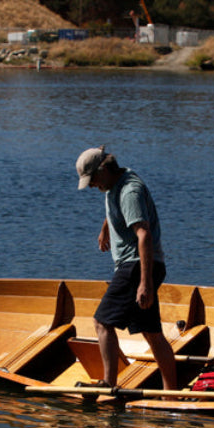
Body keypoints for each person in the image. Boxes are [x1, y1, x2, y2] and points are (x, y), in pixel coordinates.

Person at [75, 146, 178, 391]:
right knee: (151, 332)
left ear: (103, 169)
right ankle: (171, 394)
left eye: (92, 180)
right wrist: (105, 228)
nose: (91, 186)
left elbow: (143, 234)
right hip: (144, 266)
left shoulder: (130, 190)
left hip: (137, 265)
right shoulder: (115, 182)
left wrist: (145, 283)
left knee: (102, 322)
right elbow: (117, 206)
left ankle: (108, 384)